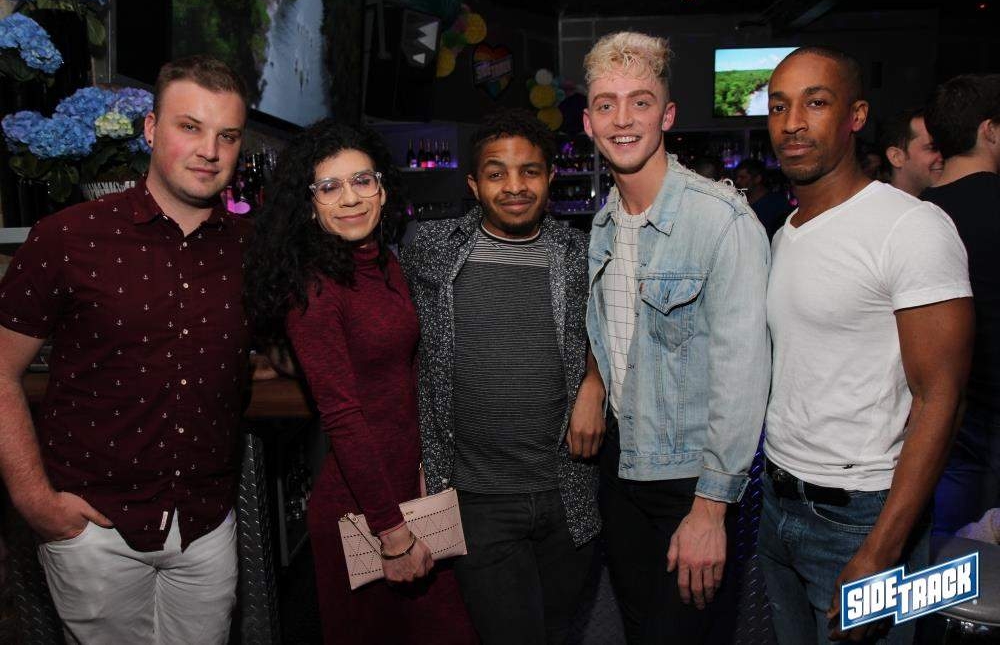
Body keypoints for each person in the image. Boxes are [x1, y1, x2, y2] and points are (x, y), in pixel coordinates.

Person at [0, 55, 251, 643]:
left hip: (205, 525)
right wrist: (36, 503)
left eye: (228, 136)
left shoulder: (252, 246)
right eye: (190, 127)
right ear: (150, 129)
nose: (209, 150)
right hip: (94, 527)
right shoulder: (67, 236)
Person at [759, 45, 974, 644]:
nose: (792, 122)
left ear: (855, 116)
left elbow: (943, 398)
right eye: (778, 106)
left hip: (863, 517)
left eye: (815, 103)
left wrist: (882, 549)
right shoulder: (785, 233)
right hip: (778, 503)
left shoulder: (910, 227)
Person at [243, 120, 474, 644]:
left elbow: (403, 378)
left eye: (361, 181)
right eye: (329, 187)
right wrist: (391, 533)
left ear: (382, 190)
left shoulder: (385, 264)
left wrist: (426, 465)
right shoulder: (317, 289)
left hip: (409, 488)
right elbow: (344, 416)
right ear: (310, 205)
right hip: (364, 506)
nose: (350, 199)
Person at [581, 32, 771, 643]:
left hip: (691, 482)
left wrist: (711, 509)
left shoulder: (721, 221)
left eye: (640, 102)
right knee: (639, 628)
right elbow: (618, 340)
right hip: (620, 468)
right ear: (588, 122)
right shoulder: (603, 225)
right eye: (606, 104)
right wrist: (592, 381)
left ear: (666, 115)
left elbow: (743, 378)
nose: (622, 119)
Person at [401, 109, 603, 645]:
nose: (515, 187)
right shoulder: (432, 251)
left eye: (529, 171)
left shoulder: (579, 255)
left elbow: (615, 332)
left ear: (550, 178)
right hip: (477, 498)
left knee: (557, 630)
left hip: (567, 489)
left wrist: (595, 380)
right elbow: (381, 325)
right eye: (497, 173)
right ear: (474, 184)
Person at [922, 74, 1000, 536]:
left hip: (929, 418)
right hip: (986, 421)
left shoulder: (911, 214)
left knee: (944, 550)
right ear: (989, 130)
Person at [879, 108, 943, 197]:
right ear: (896, 157)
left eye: (945, 147)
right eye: (933, 148)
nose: (943, 156)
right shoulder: (876, 204)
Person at [733, 157, 792, 239]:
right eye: (737, 177)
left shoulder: (777, 204)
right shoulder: (737, 202)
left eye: (742, 177)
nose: (737, 181)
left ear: (757, 179)